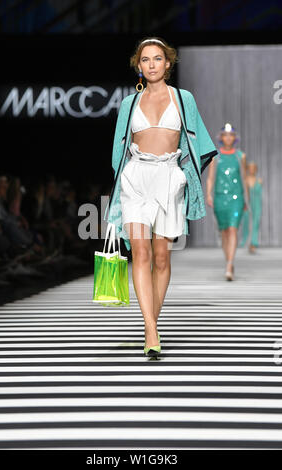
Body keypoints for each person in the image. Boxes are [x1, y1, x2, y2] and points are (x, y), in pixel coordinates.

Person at [104, 37, 218, 358]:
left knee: (162, 256)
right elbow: (118, 150)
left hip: (169, 178)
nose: (151, 64)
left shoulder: (184, 99)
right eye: (145, 60)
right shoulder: (129, 105)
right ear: (138, 66)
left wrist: (188, 179)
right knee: (140, 253)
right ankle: (150, 329)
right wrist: (119, 185)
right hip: (136, 179)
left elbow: (199, 145)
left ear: (168, 63)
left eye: (157, 59)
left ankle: (151, 321)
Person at [206, 123, 248, 281]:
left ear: (235, 138)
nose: (228, 138)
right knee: (224, 231)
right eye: (225, 135)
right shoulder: (215, 157)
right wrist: (208, 194)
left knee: (233, 230)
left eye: (231, 135)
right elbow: (211, 177)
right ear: (221, 137)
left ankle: (229, 265)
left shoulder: (240, 156)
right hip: (220, 197)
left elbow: (243, 178)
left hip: (237, 197)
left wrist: (246, 199)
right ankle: (228, 259)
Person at [240, 162, 263, 253]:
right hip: (247, 204)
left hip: (257, 205)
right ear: (248, 169)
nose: (252, 170)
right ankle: (248, 242)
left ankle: (253, 243)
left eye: (253, 168)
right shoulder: (245, 180)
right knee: (247, 224)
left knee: (255, 224)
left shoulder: (260, 180)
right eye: (250, 168)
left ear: (256, 169)